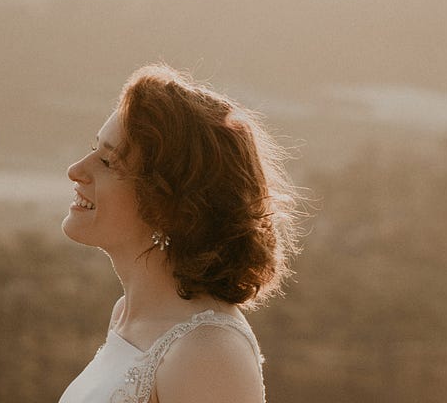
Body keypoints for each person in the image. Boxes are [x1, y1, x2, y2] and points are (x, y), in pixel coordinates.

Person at [58, 64, 304, 403]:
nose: (76, 170)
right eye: (94, 149)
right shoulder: (127, 315)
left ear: (168, 203)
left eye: (108, 162)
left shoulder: (208, 348)